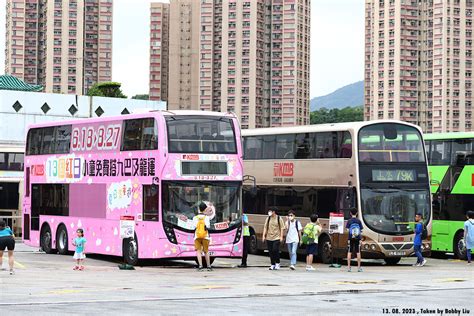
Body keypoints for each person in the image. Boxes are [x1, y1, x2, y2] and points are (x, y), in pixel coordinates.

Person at [193, 202, 212, 271]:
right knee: (206, 251)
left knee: (198, 251)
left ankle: (200, 266)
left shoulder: (195, 218)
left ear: (199, 209)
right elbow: (208, 226)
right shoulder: (207, 218)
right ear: (205, 209)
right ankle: (208, 266)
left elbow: (194, 227)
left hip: (197, 236)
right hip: (205, 236)